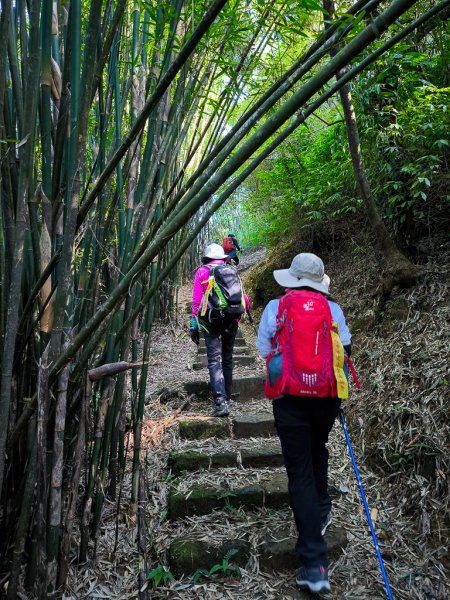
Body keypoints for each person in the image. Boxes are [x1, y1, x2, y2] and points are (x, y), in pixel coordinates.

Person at [257, 253, 351, 594]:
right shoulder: (332, 309)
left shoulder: (275, 307)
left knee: (299, 473)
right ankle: (321, 507)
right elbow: (345, 349)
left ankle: (314, 564)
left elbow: (264, 348)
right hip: (325, 399)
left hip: (289, 399)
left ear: (293, 279)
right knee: (318, 449)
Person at [189, 243, 250, 417]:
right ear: (222, 257)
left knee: (214, 359)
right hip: (232, 318)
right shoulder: (230, 269)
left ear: (207, 257)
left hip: (210, 321)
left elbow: (196, 303)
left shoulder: (202, 272)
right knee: (227, 357)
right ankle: (228, 396)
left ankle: (220, 402)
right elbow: (243, 297)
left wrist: (194, 326)